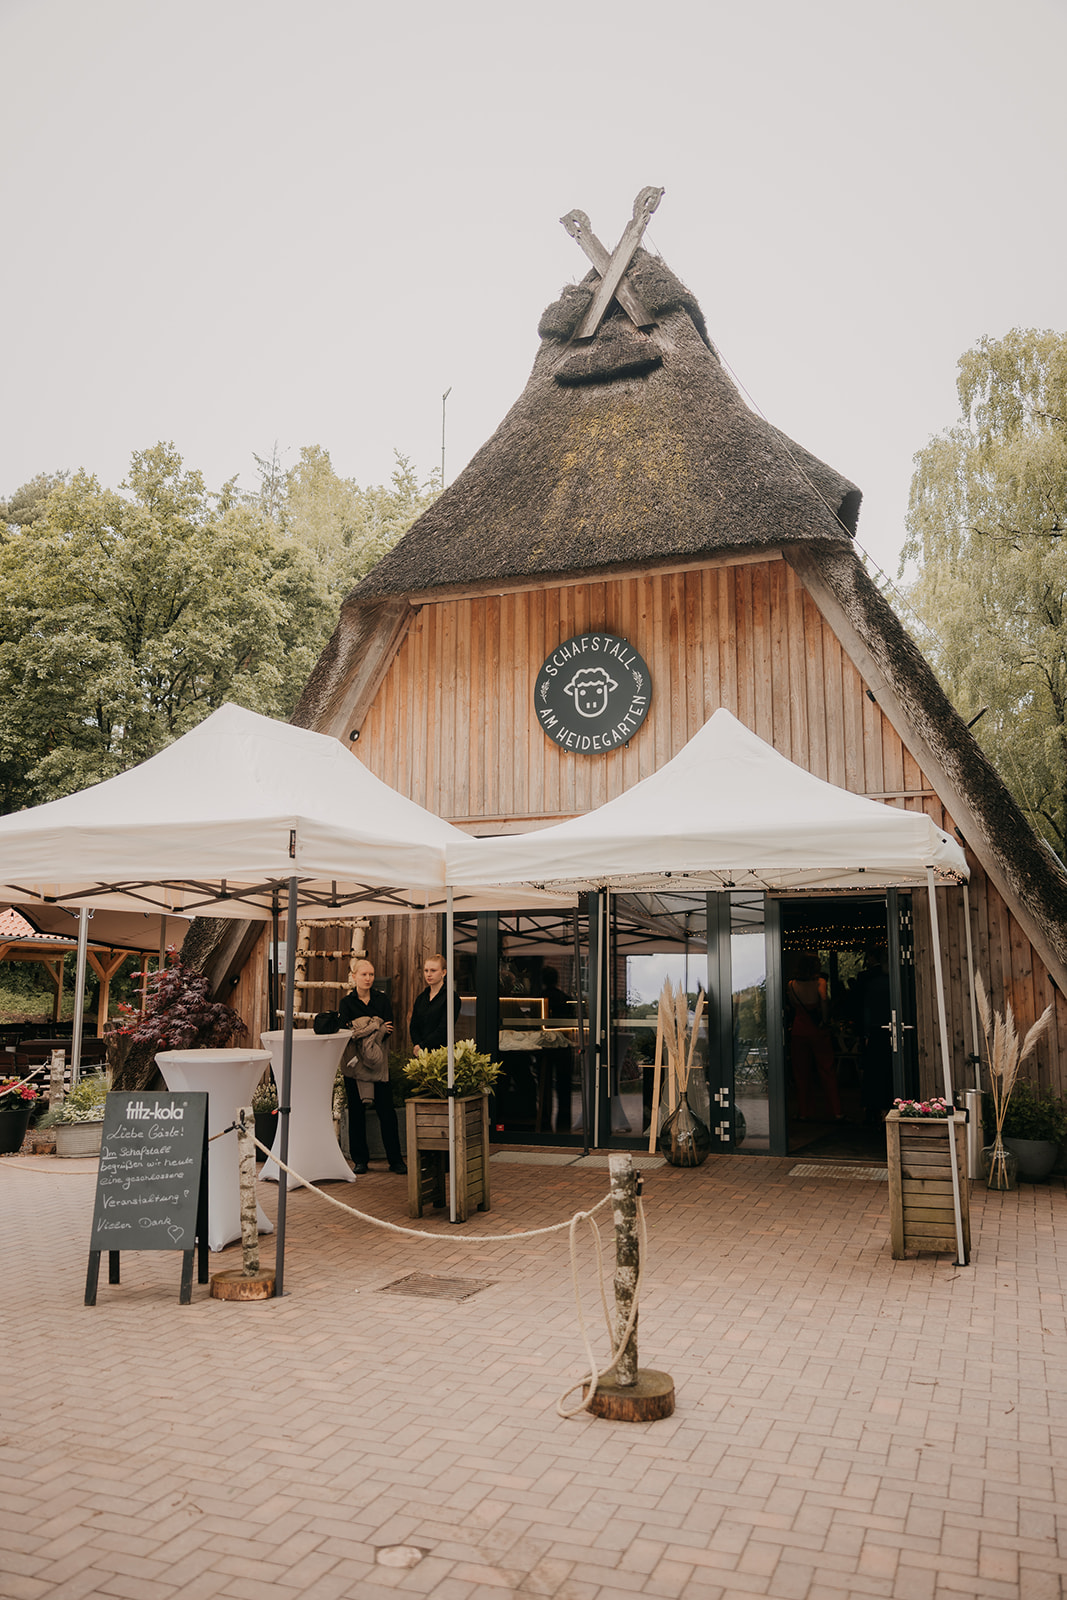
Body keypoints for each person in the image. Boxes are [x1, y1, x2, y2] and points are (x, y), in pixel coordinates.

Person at [338, 957, 406, 1175]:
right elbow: (346, 1033)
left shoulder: (382, 1000)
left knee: (387, 1112)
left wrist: (363, 1029)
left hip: (378, 1062)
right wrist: (374, 1026)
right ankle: (360, 1160)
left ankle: (395, 1160)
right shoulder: (346, 1003)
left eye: (371, 974)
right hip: (354, 1064)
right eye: (364, 974)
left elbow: (389, 1030)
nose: (368, 978)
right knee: (357, 1113)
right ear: (354, 976)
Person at [787, 953, 841, 1121]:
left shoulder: (791, 985)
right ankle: (836, 1111)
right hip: (817, 1030)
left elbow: (791, 1005)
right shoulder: (820, 982)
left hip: (798, 1029)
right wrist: (825, 1020)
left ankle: (804, 1111)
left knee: (801, 1073)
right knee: (827, 1070)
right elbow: (823, 1000)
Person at [541, 966, 574, 1132]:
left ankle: (544, 1123)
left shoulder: (541, 998)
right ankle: (564, 1125)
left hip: (545, 1048)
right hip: (563, 1047)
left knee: (544, 1087)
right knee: (564, 1087)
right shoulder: (564, 998)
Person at [409, 952, 461, 1054]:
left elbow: (444, 1029)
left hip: (442, 1054)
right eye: (426, 970)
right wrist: (417, 1045)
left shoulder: (451, 997)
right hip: (421, 1053)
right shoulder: (421, 997)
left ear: (443, 972)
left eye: (433, 971)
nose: (428, 974)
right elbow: (413, 1026)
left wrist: (422, 1046)